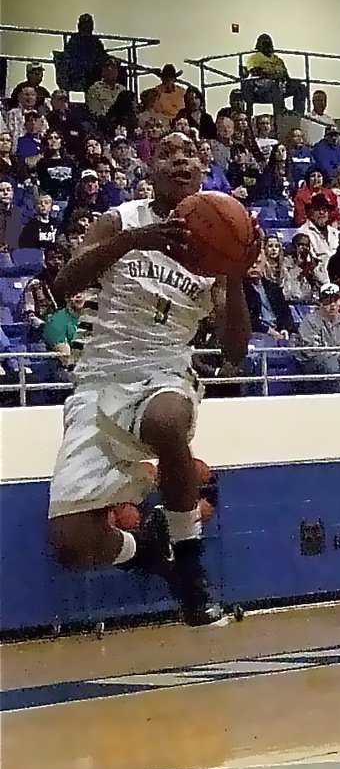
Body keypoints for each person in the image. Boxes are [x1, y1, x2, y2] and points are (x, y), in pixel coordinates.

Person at [45, 132, 256, 628]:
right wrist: (132, 242)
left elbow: (234, 353)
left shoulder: (218, 246)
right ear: (150, 168)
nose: (180, 158)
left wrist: (236, 275)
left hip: (163, 373)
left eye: (191, 153)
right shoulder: (122, 220)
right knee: (72, 546)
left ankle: (190, 560)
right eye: (167, 151)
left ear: (204, 172)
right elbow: (61, 287)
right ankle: (151, 553)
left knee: (167, 420)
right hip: (99, 380)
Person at [241, 34, 306, 117]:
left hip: (281, 83)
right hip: (262, 86)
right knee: (275, 85)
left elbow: (286, 75)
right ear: (259, 45)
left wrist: (288, 80)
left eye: (269, 43)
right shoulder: (255, 57)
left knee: (300, 87)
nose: (267, 45)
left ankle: (298, 113)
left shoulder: (277, 59)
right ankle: (280, 114)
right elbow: (255, 71)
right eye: (264, 43)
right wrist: (273, 74)